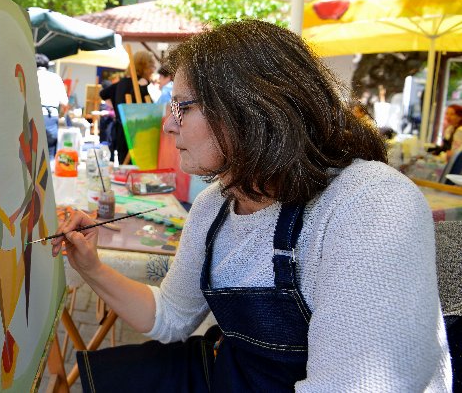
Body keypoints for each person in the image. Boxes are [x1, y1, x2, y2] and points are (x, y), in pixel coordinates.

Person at [53, 21, 452, 391]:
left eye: (181, 107)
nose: (168, 125)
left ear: (249, 107)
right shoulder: (215, 206)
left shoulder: (370, 204)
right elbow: (171, 316)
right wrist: (90, 265)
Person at [99, 50, 157, 163]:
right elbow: (149, 109)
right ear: (144, 66)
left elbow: (103, 93)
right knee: (135, 171)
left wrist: (117, 108)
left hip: (122, 131)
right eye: (152, 66)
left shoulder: (123, 82)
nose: (153, 70)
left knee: (125, 171)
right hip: (137, 136)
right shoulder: (140, 84)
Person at [35, 53, 69, 159]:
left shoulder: (28, 76)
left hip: (31, 115)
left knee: (31, 153)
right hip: (50, 117)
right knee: (49, 152)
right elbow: (64, 102)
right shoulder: (55, 78)